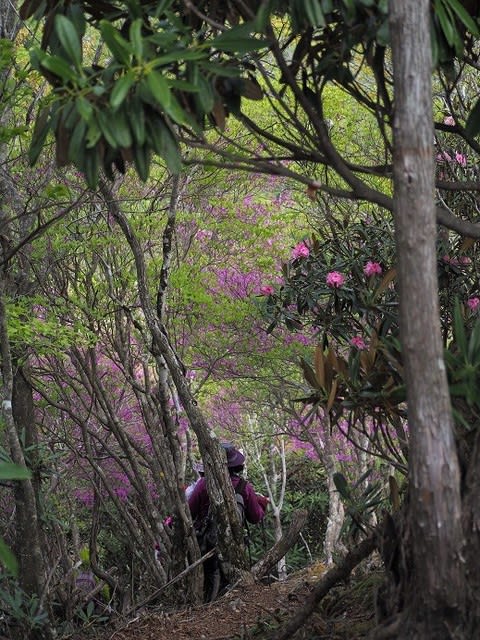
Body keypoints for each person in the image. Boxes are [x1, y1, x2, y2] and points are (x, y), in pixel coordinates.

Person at [188, 443, 269, 601]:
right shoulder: (244, 487)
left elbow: (190, 511)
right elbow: (256, 517)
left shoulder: (203, 483)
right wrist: (262, 503)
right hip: (234, 544)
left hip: (205, 544)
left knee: (207, 584)